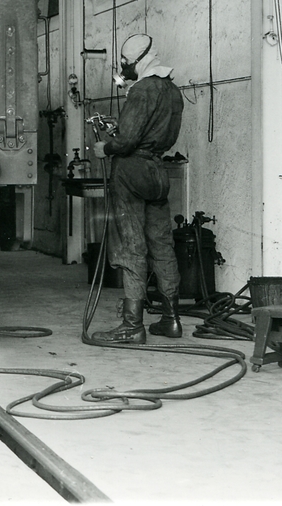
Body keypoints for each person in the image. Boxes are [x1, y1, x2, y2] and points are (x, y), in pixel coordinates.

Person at [91, 33, 185, 344]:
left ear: (137, 60)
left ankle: (132, 326)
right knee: (162, 244)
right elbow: (155, 133)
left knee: (131, 246)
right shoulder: (172, 90)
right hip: (157, 170)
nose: (123, 68)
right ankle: (171, 320)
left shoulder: (142, 89)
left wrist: (106, 147)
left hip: (132, 171)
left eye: (124, 62)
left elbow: (127, 140)